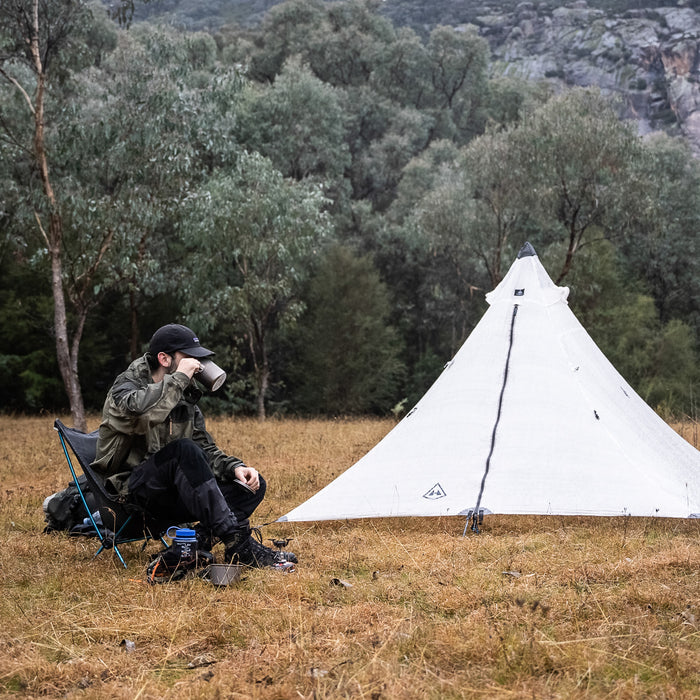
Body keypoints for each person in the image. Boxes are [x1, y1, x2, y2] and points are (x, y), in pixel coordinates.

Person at [92, 323, 296, 574]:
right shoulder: (125, 388)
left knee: (251, 485)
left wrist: (235, 468)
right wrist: (179, 379)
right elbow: (143, 417)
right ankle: (238, 543)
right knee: (183, 450)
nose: (197, 364)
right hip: (134, 491)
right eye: (189, 357)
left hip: (174, 491)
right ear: (164, 358)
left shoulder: (184, 396)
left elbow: (204, 448)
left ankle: (189, 544)